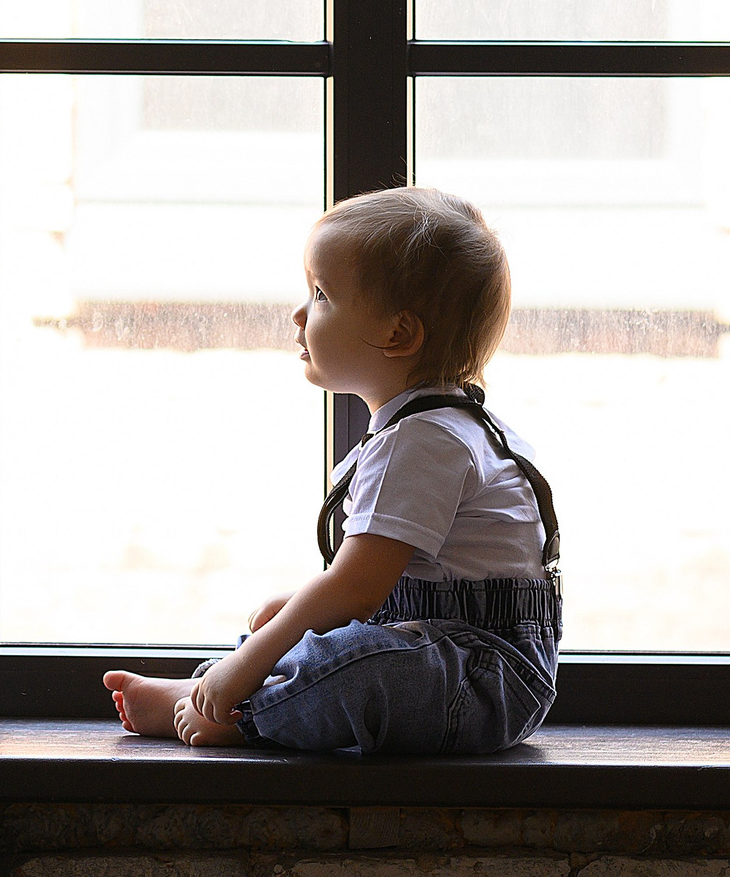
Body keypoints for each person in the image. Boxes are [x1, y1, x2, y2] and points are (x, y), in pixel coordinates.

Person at [101, 187, 560, 755]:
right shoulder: (428, 428)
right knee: (295, 623)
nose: (299, 314)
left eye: (320, 295)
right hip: (437, 646)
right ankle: (215, 693)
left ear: (398, 334)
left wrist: (258, 652)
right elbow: (380, 588)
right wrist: (290, 617)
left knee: (356, 666)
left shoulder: (425, 442)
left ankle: (245, 714)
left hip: (484, 683)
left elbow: (356, 590)